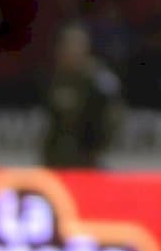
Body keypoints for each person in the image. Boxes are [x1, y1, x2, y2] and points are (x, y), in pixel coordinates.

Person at [41, 23, 123, 169]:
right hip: (57, 159)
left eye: (77, 45)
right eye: (67, 45)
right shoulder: (54, 78)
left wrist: (96, 149)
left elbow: (113, 117)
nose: (72, 50)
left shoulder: (99, 80)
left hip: (87, 160)